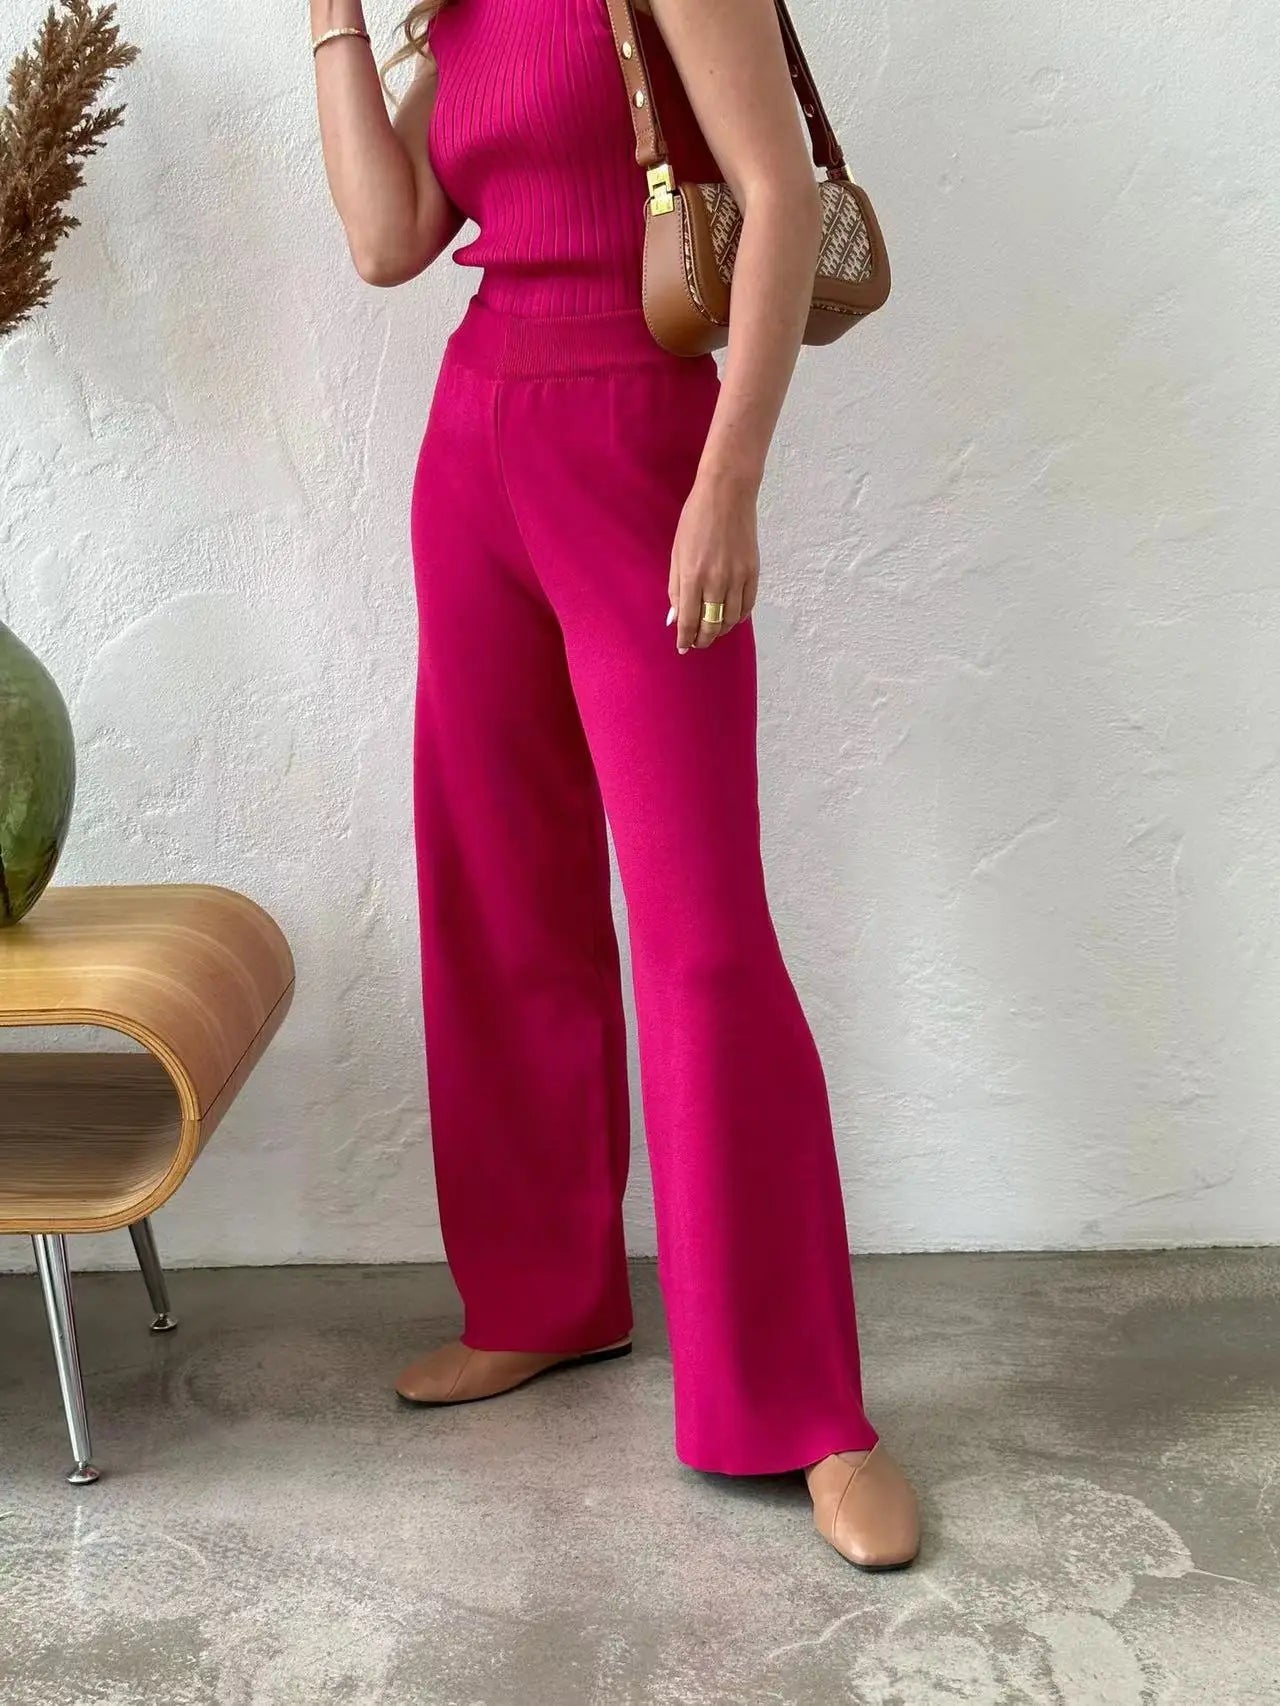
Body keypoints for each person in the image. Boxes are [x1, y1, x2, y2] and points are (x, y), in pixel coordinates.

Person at [310, 0, 920, 1570]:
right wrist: (332, 21)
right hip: (475, 447)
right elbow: (386, 241)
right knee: (498, 884)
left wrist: (731, 478)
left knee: (703, 932)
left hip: (642, 444)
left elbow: (775, 197)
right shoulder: (459, 9)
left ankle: (806, 1406)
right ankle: (543, 1294)